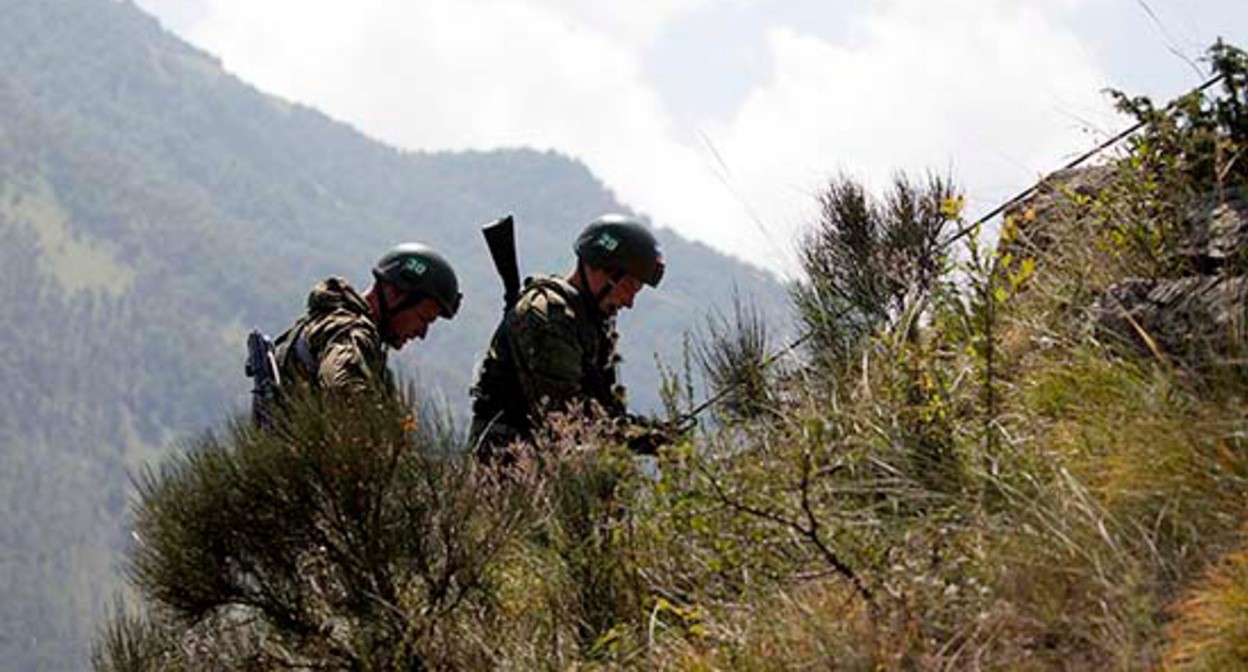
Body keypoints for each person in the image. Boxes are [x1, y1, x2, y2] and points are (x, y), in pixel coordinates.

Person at [469, 214, 670, 457]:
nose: (629, 302)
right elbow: (565, 417)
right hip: (509, 471)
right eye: (628, 287)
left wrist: (651, 431)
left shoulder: (585, 322)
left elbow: (599, 411)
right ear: (598, 269)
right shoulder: (548, 318)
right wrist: (641, 439)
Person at [272, 243, 461, 398]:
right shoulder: (350, 332)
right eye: (423, 318)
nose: (422, 333)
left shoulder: (341, 327)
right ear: (394, 295)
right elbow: (342, 388)